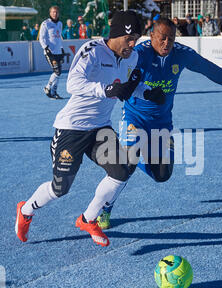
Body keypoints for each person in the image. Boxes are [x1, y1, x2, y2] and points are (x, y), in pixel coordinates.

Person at [15, 11, 162, 246]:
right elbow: (73, 82)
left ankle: (88, 219)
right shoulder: (92, 49)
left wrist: (147, 92)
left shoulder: (131, 58)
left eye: (136, 39)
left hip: (100, 128)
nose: (133, 44)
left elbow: (127, 87)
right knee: (60, 188)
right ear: (116, 34)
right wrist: (106, 90)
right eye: (129, 38)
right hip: (71, 128)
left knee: (121, 171)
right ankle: (26, 210)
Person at [96, 17, 222, 230]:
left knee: (162, 175)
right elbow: (120, 79)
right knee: (126, 166)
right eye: (162, 38)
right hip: (135, 118)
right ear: (151, 36)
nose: (166, 43)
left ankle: (139, 157)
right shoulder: (138, 54)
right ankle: (106, 208)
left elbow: (210, 69)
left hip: (162, 123)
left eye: (171, 38)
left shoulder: (182, 54)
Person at [39, 6, 64, 99]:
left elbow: (58, 38)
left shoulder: (60, 24)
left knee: (59, 72)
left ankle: (54, 92)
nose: (55, 14)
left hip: (58, 51)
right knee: (57, 71)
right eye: (53, 12)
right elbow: (41, 38)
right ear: (50, 13)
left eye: (56, 12)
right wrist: (46, 48)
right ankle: (48, 87)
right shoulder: (45, 24)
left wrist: (61, 48)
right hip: (50, 52)